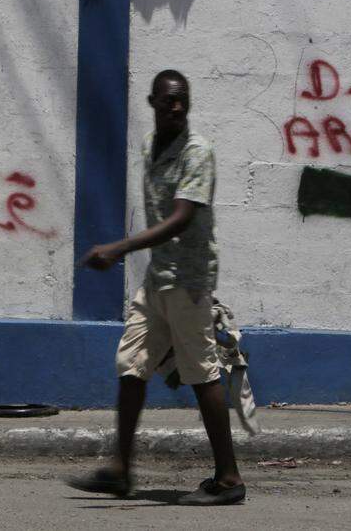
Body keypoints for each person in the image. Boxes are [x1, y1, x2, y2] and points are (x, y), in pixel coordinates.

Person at [67, 69, 246, 506]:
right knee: (131, 363)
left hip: (188, 282)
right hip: (157, 279)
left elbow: (182, 217)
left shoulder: (198, 152)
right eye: (168, 101)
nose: (177, 107)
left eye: (183, 99)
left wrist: (119, 248)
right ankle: (121, 469)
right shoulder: (151, 147)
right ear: (152, 103)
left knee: (201, 372)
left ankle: (229, 479)